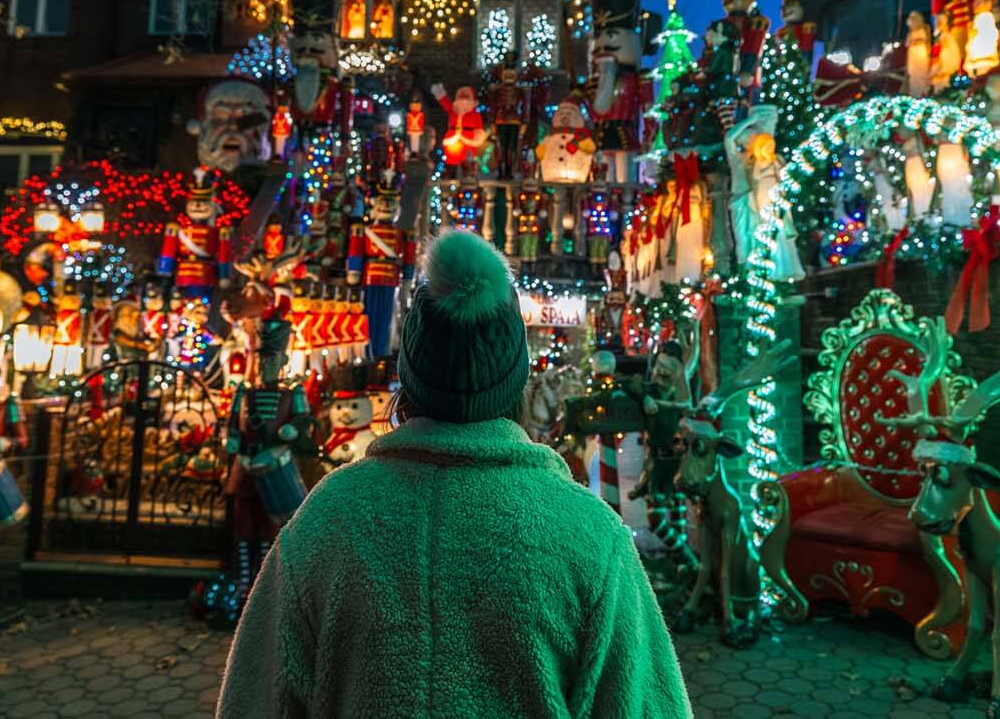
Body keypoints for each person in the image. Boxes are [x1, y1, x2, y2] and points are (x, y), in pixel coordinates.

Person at [216, 230, 690, 718]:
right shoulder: (591, 537)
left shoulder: (323, 524)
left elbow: (251, 702)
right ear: (516, 379)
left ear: (410, 375)